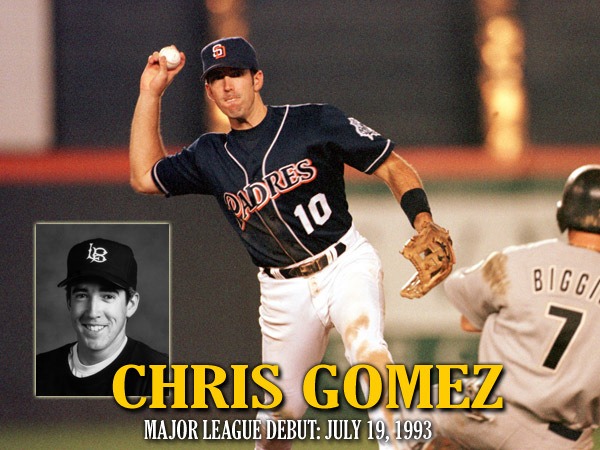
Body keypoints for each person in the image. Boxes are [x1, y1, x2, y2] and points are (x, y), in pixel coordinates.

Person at [129, 36, 454, 449]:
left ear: (257, 78)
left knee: (368, 349)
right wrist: (150, 93)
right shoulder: (209, 155)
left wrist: (422, 219)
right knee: (277, 421)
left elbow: (391, 165)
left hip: (344, 264)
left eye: (236, 74)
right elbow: (145, 176)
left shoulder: (313, 121)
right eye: (217, 79)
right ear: (208, 91)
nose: (228, 85)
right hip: (282, 292)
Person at [400, 164, 600, 450]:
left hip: (483, 411)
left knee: (408, 409)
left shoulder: (520, 260)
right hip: (558, 440)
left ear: (564, 213)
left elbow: (467, 316)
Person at [36, 238, 169, 396]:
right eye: (82, 295)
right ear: (69, 302)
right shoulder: (38, 369)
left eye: (108, 296)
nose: (93, 312)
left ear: (131, 304)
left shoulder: (161, 375)